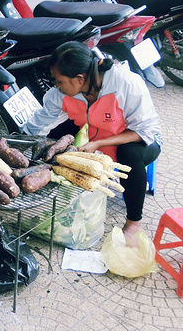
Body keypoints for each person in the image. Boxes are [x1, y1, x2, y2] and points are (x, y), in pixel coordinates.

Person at [23, 41, 162, 245]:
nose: (56, 85)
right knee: (57, 136)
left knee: (129, 155)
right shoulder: (61, 93)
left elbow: (144, 130)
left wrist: (98, 144)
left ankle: (134, 221)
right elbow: (40, 122)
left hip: (140, 140)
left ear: (79, 79)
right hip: (98, 139)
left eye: (59, 80)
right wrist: (20, 142)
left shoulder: (125, 84)